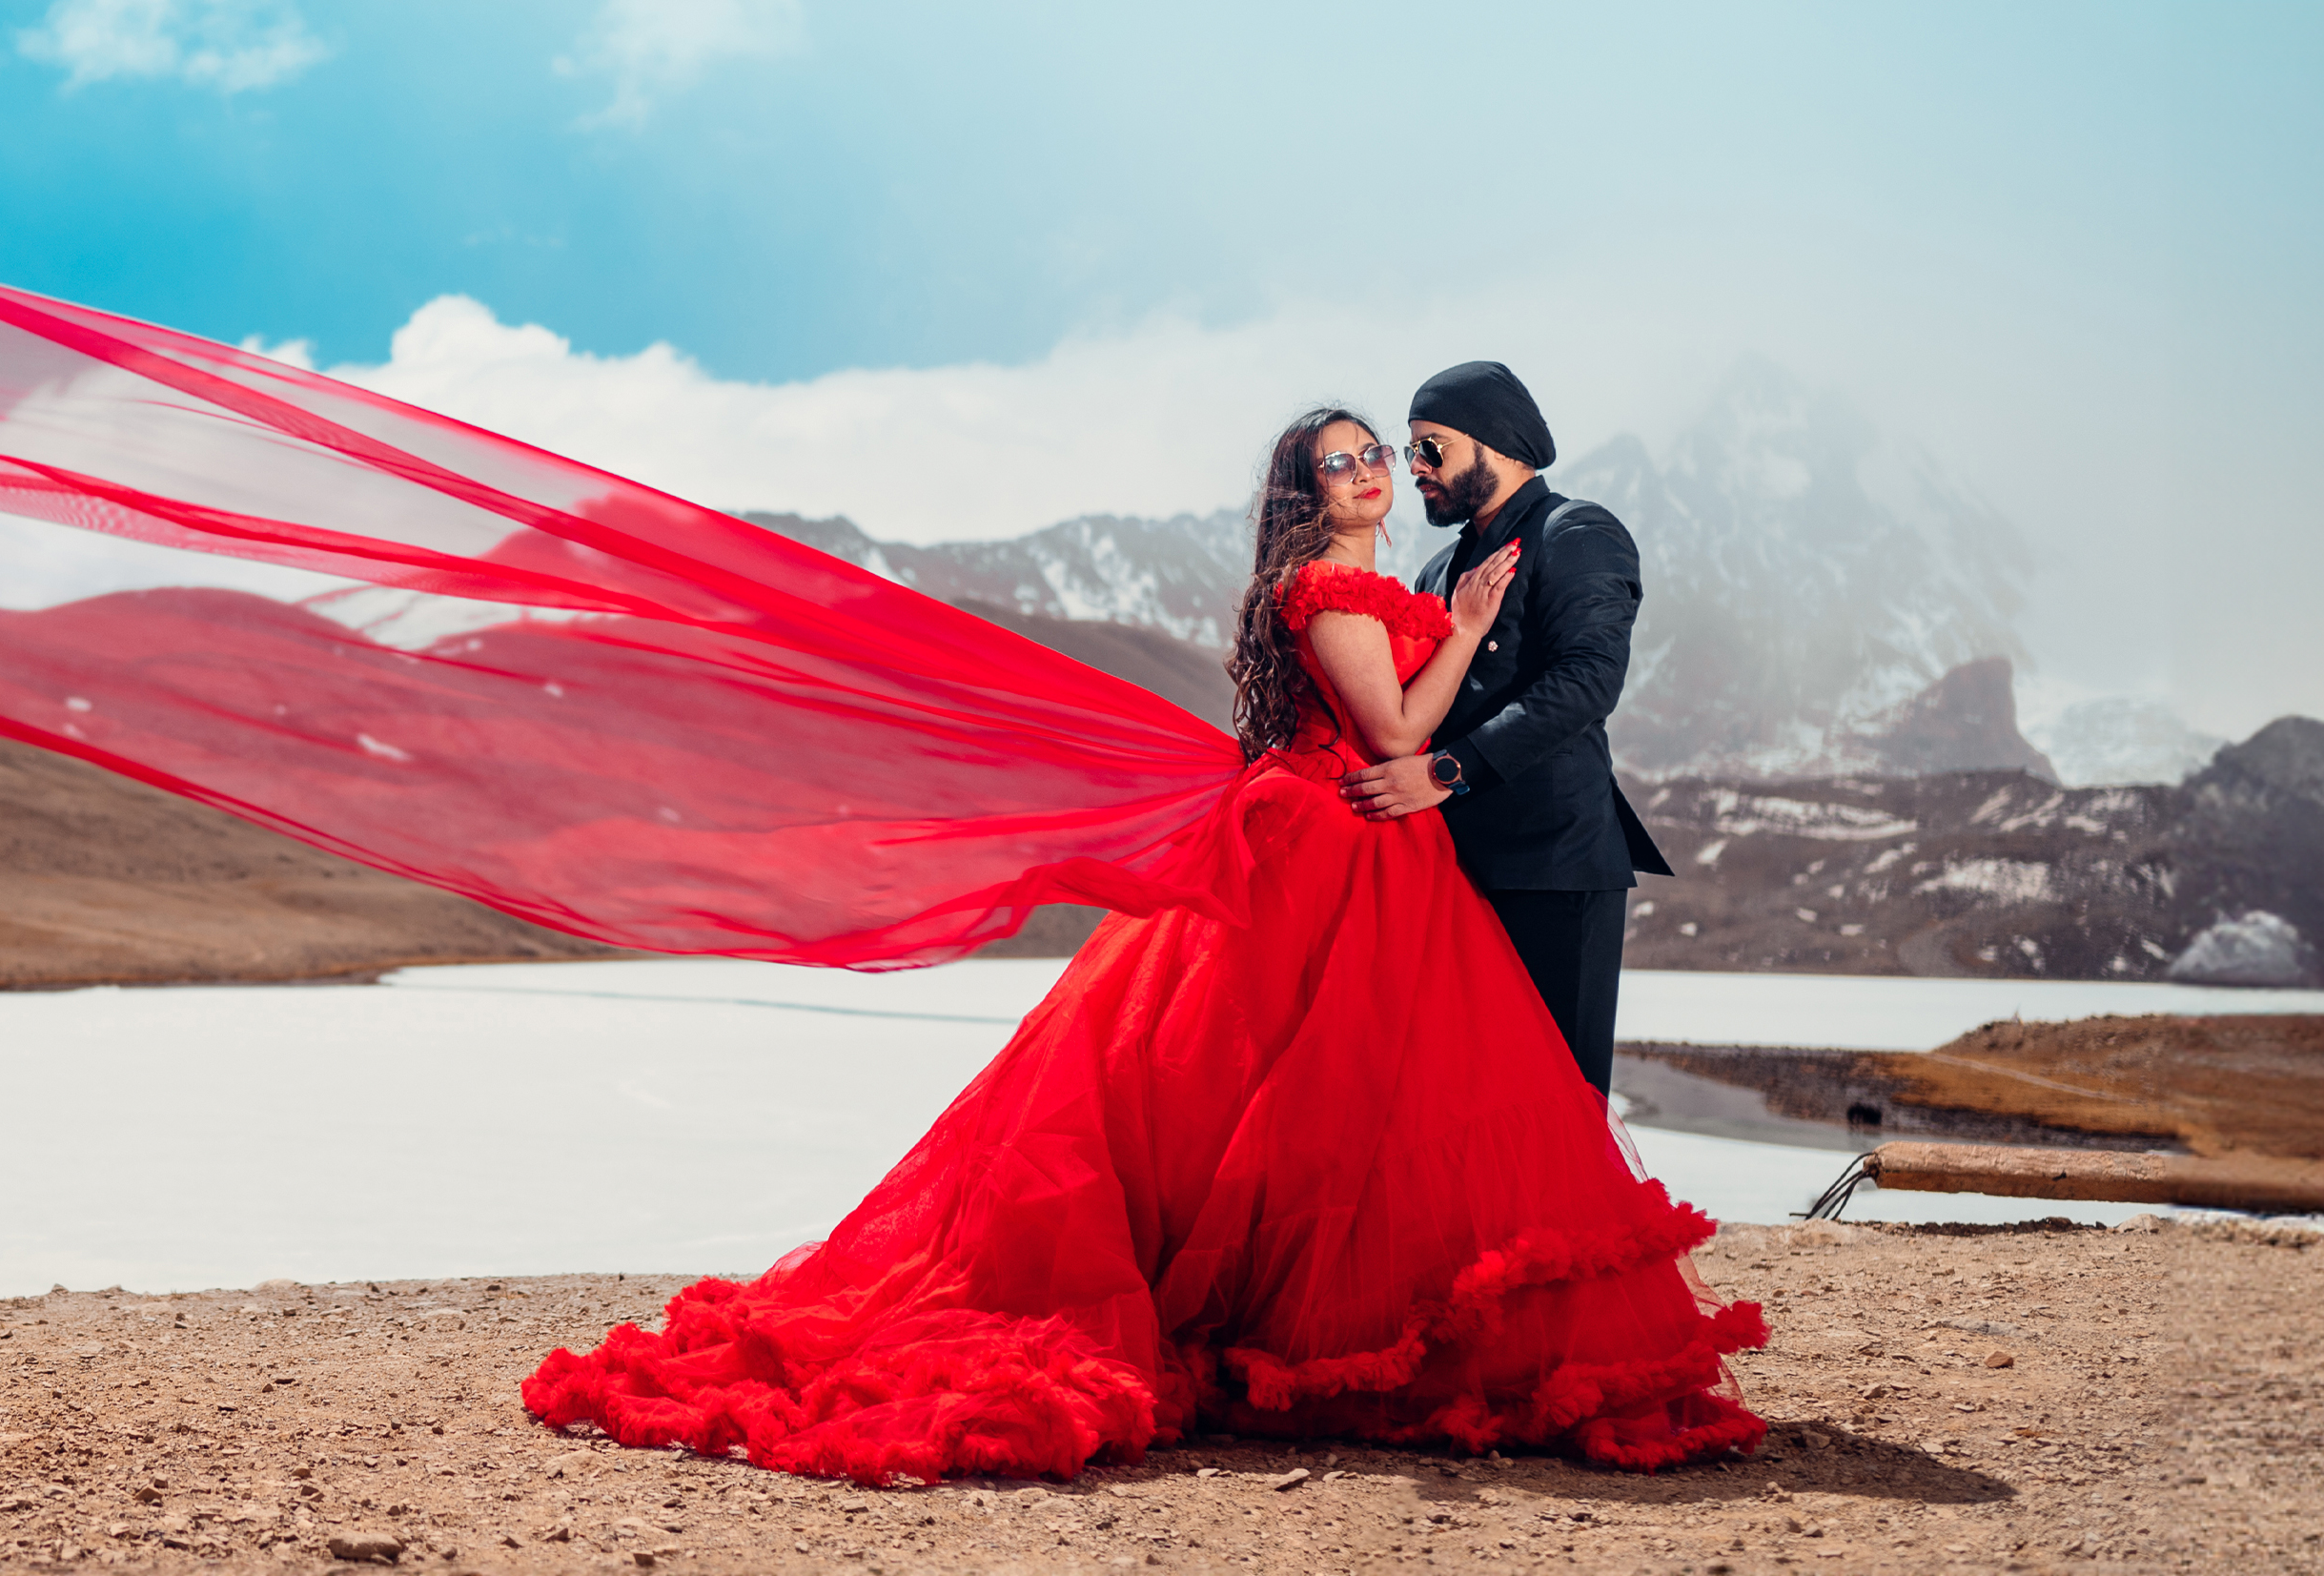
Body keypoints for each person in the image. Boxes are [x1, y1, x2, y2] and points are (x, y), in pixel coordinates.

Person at [518, 407, 1768, 1484]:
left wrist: (1460, 620)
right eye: (1339, 465)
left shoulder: (1391, 582)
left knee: (1360, 1112)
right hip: (1333, 846)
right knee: (1283, 1103)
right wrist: (1465, 629)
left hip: (1381, 859)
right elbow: (1392, 736)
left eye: (1376, 454)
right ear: (1301, 495)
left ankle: (1353, 1329)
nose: (1371, 472)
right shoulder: (1324, 588)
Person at [1337, 361, 1674, 1095]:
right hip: (1451, 873)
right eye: (1411, 449)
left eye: (1432, 447)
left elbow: (1587, 682)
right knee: (1469, 1111)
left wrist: (1443, 772)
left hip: (1554, 866)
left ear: (1496, 441)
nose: (1415, 468)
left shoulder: (1577, 532)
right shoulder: (1435, 573)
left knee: (1558, 1105)